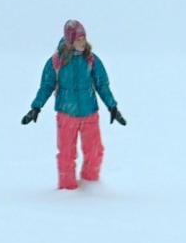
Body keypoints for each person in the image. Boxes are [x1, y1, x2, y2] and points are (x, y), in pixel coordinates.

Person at [21, 20, 126, 190]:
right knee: (66, 155)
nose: (82, 42)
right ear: (70, 40)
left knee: (95, 151)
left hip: (90, 113)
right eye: (78, 39)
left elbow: (102, 85)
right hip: (66, 115)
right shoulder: (56, 62)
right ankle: (67, 190)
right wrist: (36, 107)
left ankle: (91, 186)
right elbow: (46, 86)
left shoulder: (91, 59)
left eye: (84, 38)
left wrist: (112, 106)